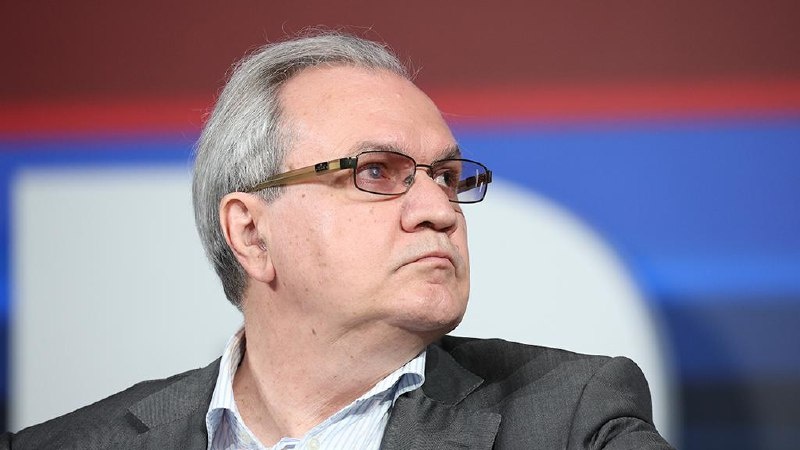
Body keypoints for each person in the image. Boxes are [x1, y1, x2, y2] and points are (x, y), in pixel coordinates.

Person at [1, 31, 673, 449]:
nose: (439, 209)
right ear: (251, 232)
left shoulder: (570, 420)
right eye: (376, 172)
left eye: (446, 176)